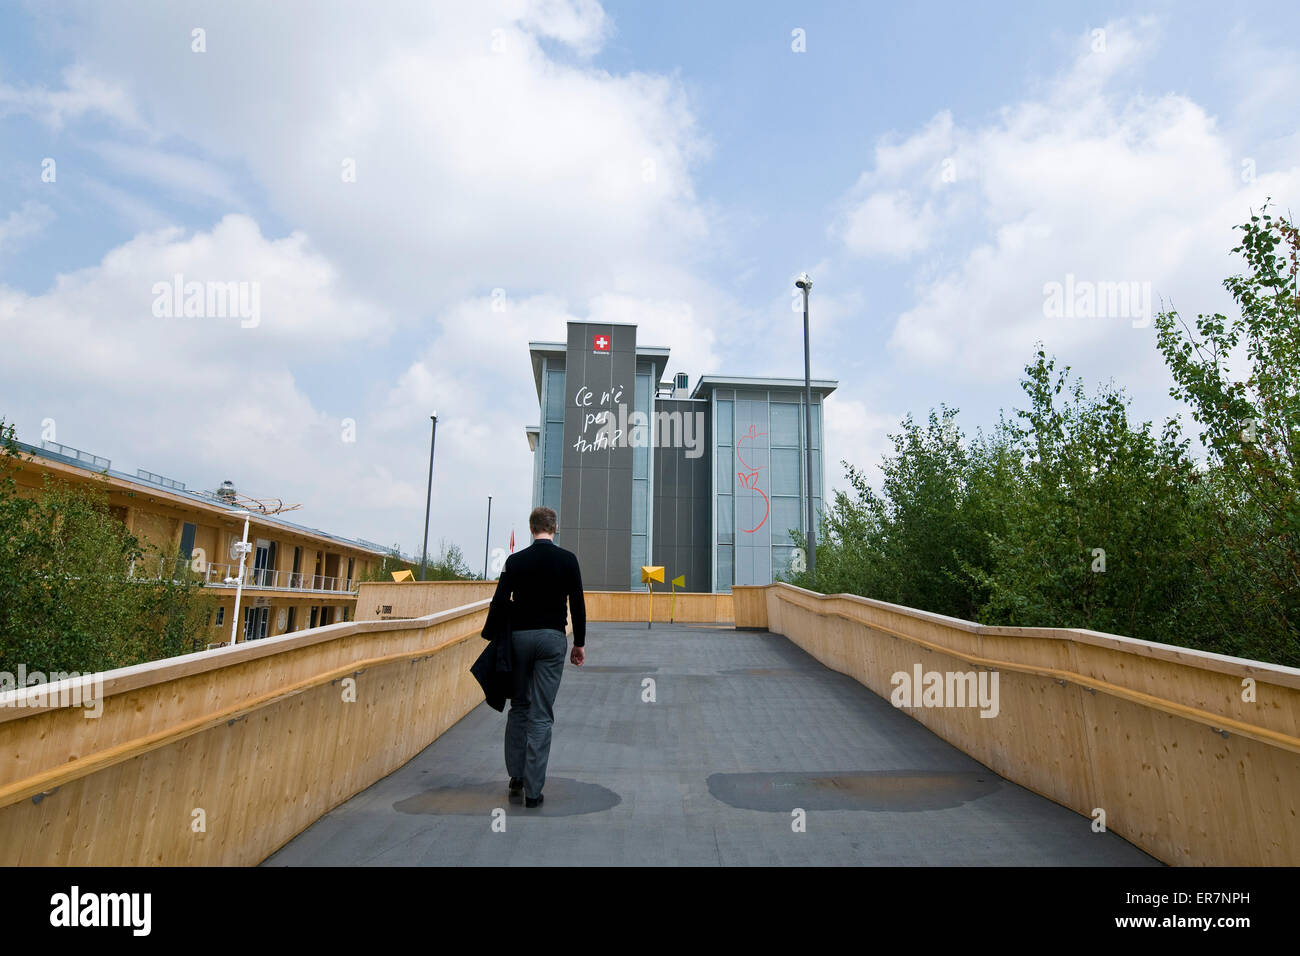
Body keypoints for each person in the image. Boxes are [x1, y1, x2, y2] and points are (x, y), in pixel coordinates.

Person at [489, 505, 586, 808]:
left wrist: (497, 637)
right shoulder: (568, 560)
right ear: (554, 528)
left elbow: (499, 601)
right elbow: (578, 604)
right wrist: (579, 643)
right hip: (552, 639)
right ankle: (533, 791)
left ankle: (516, 776)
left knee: (519, 707)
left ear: (532, 529)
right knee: (541, 714)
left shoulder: (515, 561)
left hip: (519, 639)